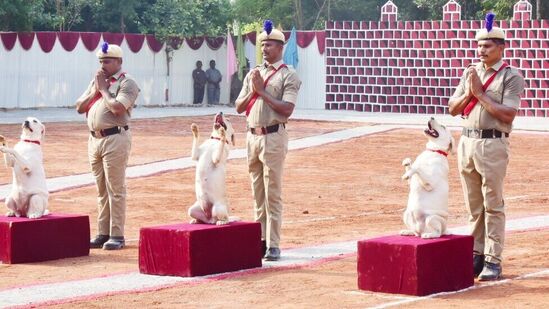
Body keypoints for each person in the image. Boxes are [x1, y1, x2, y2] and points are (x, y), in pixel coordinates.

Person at [448, 13, 524, 281]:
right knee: (473, 205)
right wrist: (470, 92)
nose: (481, 50)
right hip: (467, 141)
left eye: (488, 46)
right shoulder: (470, 72)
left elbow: (508, 114)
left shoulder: (510, 76)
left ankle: (493, 258)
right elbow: (452, 108)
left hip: (493, 143)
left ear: (501, 48)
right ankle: (475, 254)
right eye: (479, 46)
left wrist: (480, 94)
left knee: (493, 204)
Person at [235, 20, 301, 261]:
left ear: (280, 47)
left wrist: (262, 92)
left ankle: (274, 243)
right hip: (252, 136)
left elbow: (287, 109)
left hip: (274, 136)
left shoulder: (288, 75)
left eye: (269, 45)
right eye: (263, 45)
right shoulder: (254, 74)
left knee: (272, 192)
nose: (264, 49)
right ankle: (260, 239)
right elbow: (238, 106)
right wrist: (254, 89)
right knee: (257, 192)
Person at [75, 42, 140, 250]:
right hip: (94, 139)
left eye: (107, 61)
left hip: (115, 137)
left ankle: (117, 234)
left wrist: (103, 90)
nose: (103, 64)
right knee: (101, 189)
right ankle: (103, 232)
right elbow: (79, 107)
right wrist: (95, 89)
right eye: (101, 61)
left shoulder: (126, 82)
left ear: (119, 62)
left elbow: (118, 108)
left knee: (115, 188)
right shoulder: (98, 82)